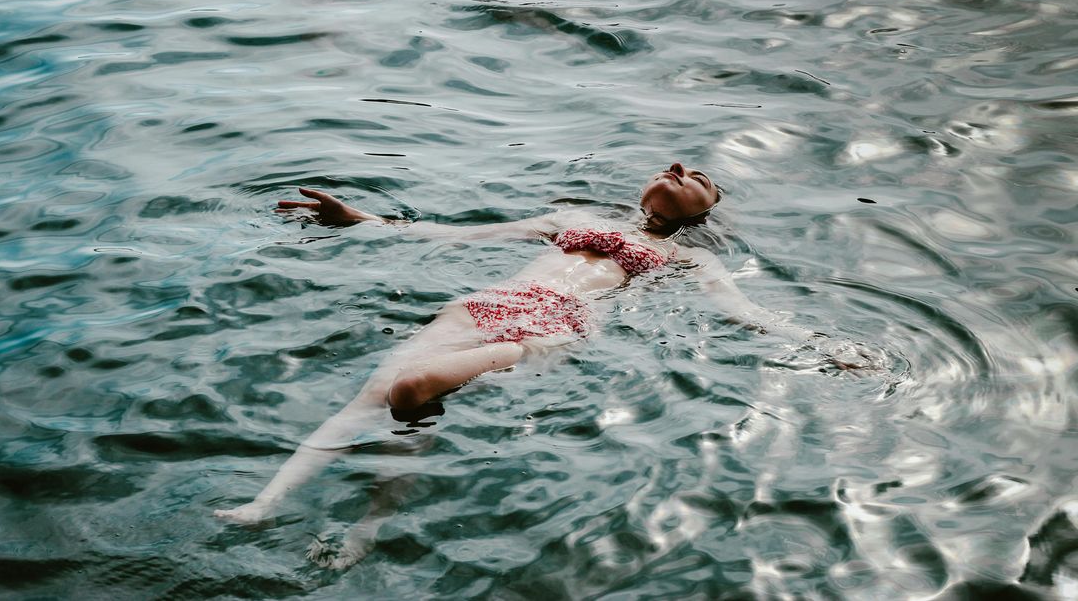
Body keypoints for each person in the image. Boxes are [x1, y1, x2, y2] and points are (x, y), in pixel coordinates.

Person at [214, 162, 865, 564]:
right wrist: (361, 220)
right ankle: (266, 502)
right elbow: (458, 235)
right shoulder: (569, 216)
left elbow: (745, 311)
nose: (678, 166)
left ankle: (371, 519)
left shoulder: (693, 260)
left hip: (556, 325)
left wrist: (820, 342)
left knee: (411, 389)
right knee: (374, 399)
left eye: (697, 176)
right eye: (674, 165)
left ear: (704, 213)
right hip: (483, 305)